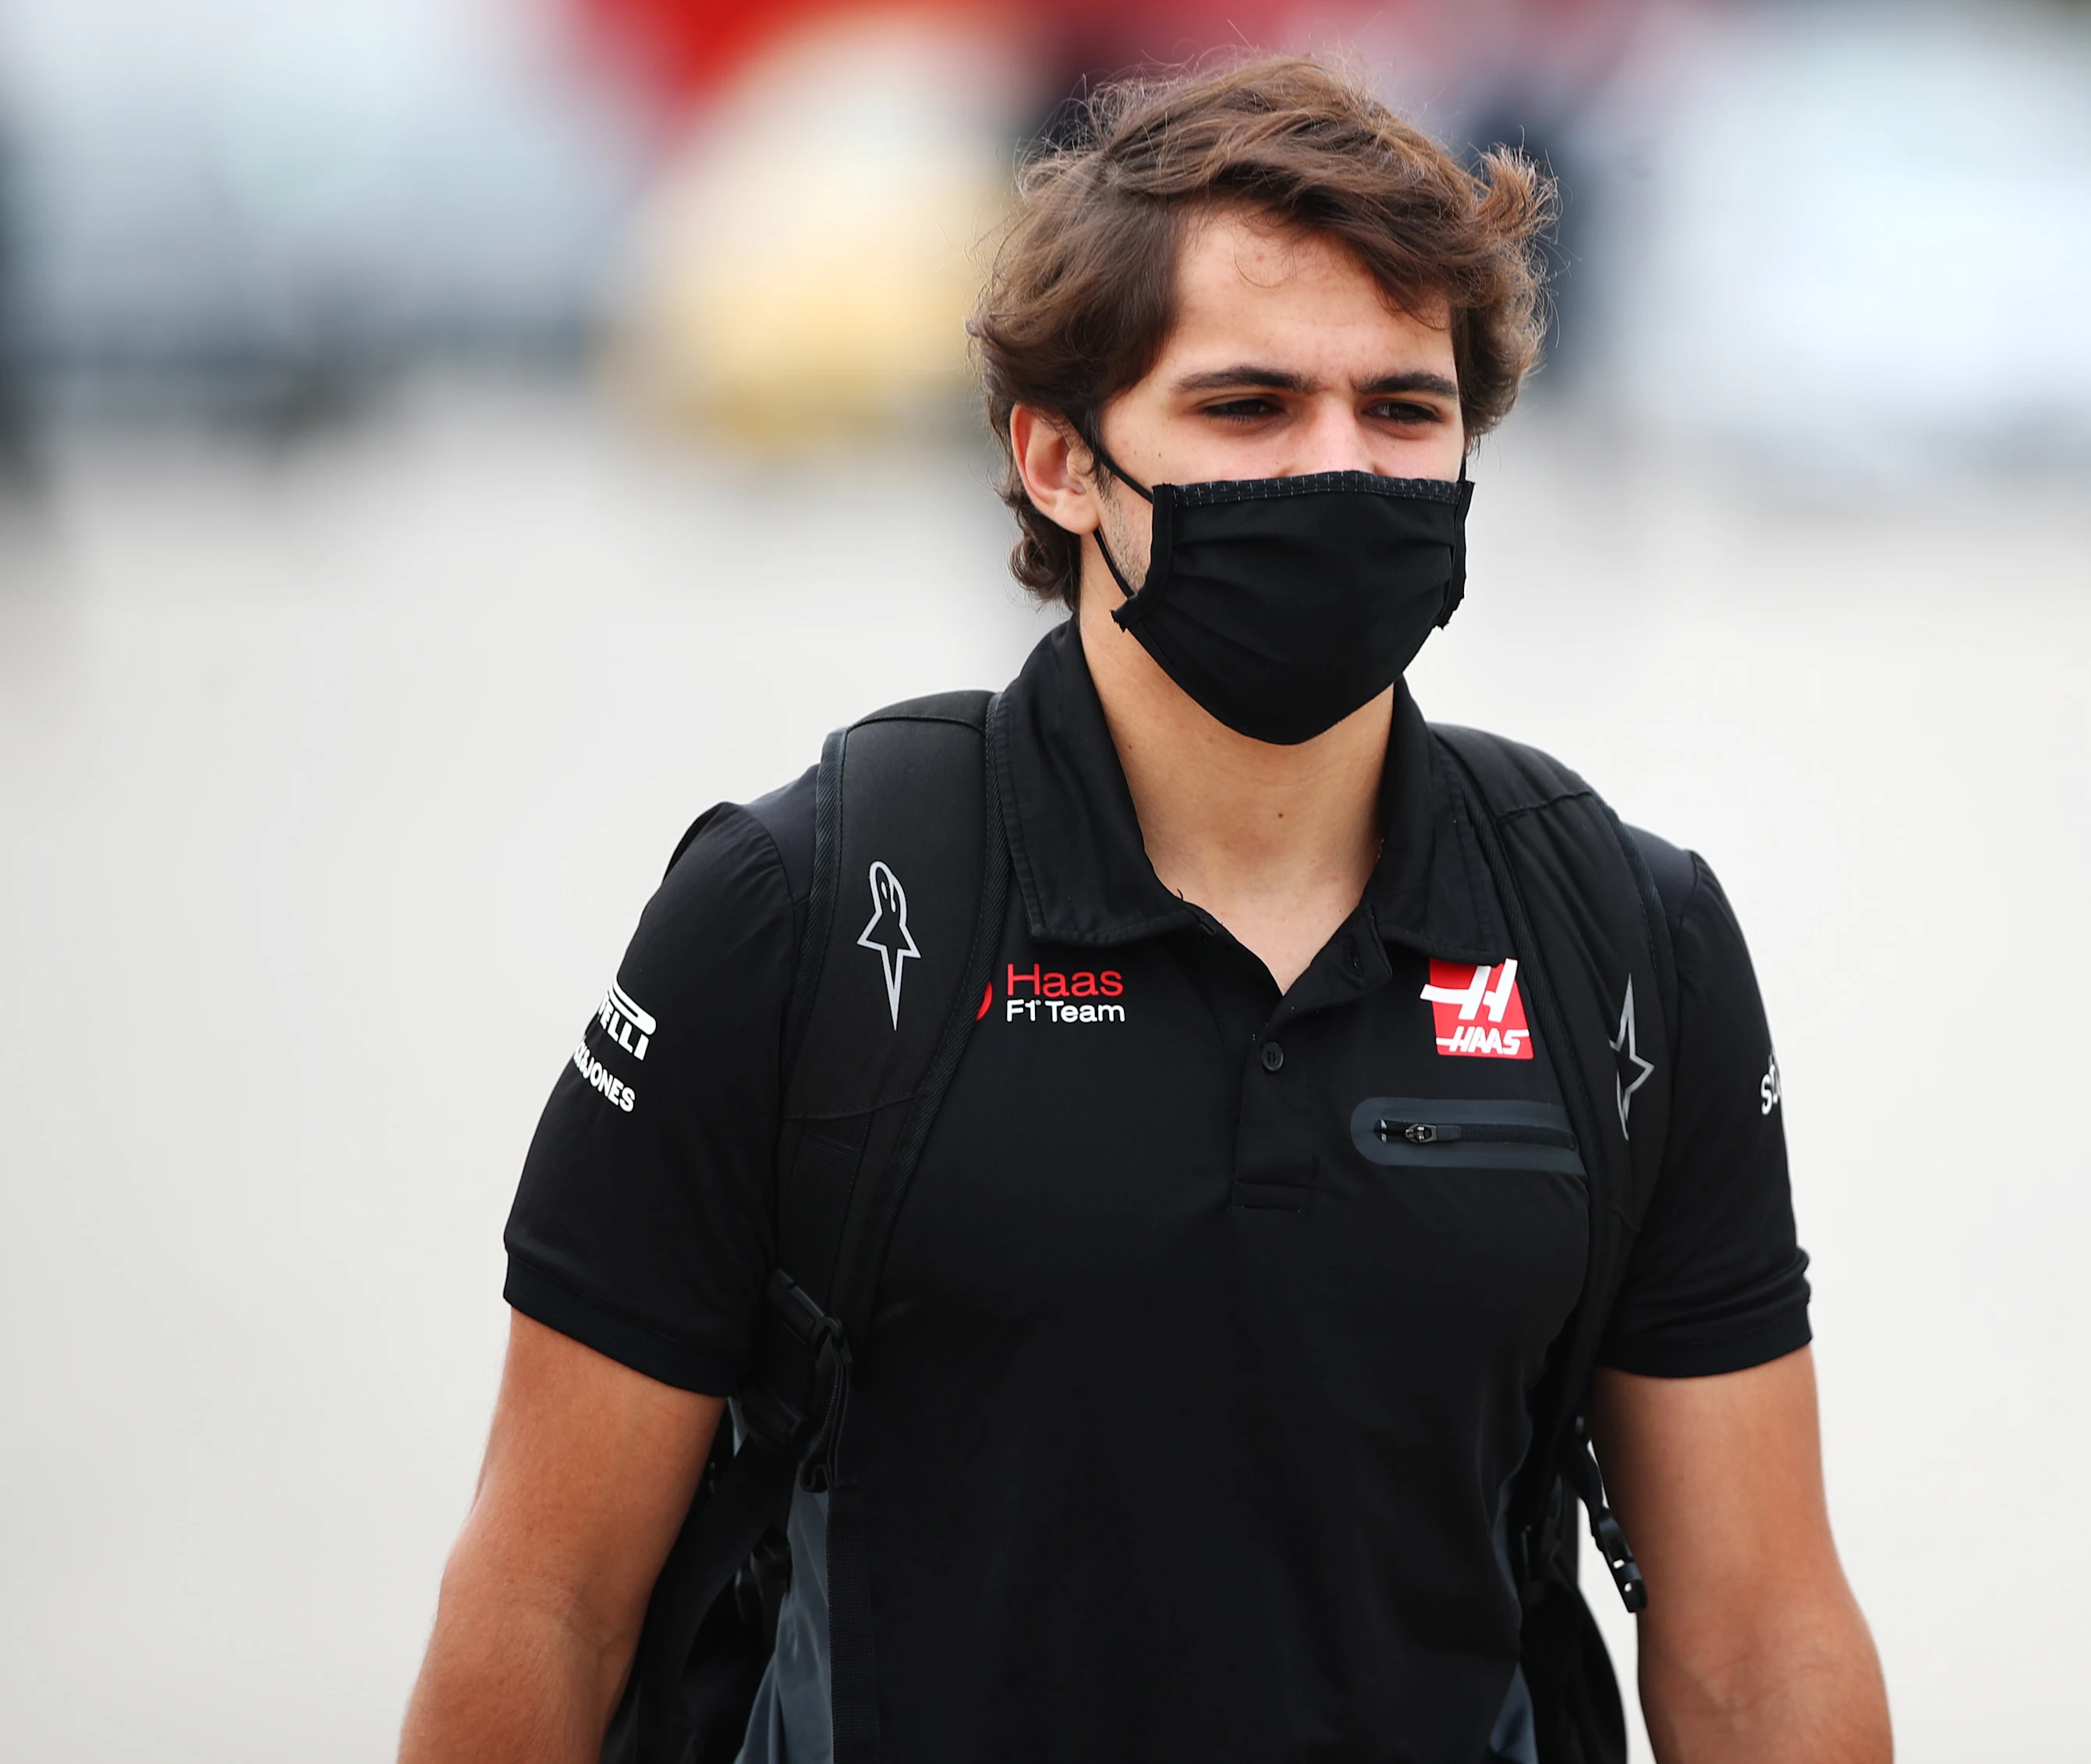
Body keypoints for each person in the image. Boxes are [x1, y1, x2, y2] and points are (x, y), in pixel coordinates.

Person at [400, 55, 1888, 1764]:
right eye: (1248, 408)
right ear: (1060, 461)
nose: (1342, 472)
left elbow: (1759, 1639)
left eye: (1403, 414)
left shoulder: (1624, 940)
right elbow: (544, 1601)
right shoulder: (798, 913)